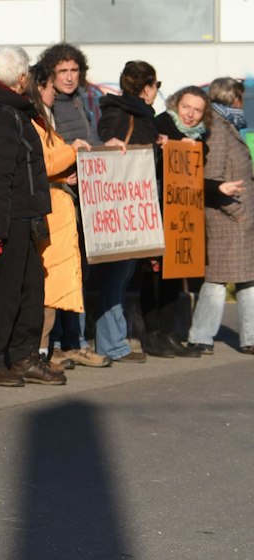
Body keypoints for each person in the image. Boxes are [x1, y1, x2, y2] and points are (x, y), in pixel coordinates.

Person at [94, 61, 200, 358]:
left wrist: (158, 142)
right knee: (117, 276)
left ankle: (118, 341)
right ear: (147, 87)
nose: (156, 91)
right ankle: (113, 343)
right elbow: (110, 147)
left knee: (125, 274)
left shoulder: (138, 114)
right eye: (156, 86)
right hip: (122, 206)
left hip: (135, 206)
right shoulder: (124, 113)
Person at [0, 47, 58, 387]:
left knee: (30, 288)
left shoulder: (10, 110)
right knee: (4, 292)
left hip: (23, 216)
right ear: (21, 78)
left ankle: (23, 356)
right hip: (9, 218)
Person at [30, 62, 95, 372]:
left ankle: (45, 351)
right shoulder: (35, 122)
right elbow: (42, 162)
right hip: (50, 213)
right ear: (39, 87)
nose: (55, 93)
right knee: (49, 285)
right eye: (50, 87)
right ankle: (41, 351)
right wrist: (72, 151)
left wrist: (62, 175)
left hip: (57, 208)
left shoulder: (44, 120)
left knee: (54, 285)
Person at [187, 79, 254, 354]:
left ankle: (250, 337)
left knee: (248, 278)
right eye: (239, 98)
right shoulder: (217, 128)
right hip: (226, 217)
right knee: (217, 280)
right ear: (231, 99)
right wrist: (236, 212)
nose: (242, 103)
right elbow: (211, 177)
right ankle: (200, 337)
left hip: (239, 218)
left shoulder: (228, 125)